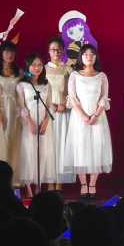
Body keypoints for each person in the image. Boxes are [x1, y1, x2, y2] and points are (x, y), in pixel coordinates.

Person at [64, 44, 113, 199]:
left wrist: (95, 116)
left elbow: (104, 98)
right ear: (81, 57)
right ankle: (83, 184)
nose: (89, 57)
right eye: (86, 54)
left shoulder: (102, 76)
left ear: (96, 57)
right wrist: (84, 116)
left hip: (98, 117)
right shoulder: (74, 75)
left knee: (97, 148)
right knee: (81, 149)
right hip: (79, 118)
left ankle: (92, 184)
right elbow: (72, 98)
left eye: (92, 54)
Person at [16, 54, 57, 197]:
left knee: (43, 153)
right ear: (28, 66)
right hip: (29, 122)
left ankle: (39, 188)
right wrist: (30, 122)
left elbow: (50, 105)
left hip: (44, 123)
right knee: (29, 152)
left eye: (39, 65)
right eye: (33, 65)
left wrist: (45, 122)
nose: (37, 68)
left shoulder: (47, 84)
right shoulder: (22, 85)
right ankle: (29, 190)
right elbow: (21, 106)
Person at [46, 37, 75, 190]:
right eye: (53, 49)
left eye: (59, 49)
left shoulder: (68, 69)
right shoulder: (43, 68)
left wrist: (66, 104)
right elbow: (40, 89)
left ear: (63, 51)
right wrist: (50, 105)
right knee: (49, 146)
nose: (56, 52)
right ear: (49, 51)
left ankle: (59, 183)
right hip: (47, 112)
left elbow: (73, 92)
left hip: (64, 112)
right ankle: (49, 182)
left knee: (62, 146)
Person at [0, 41, 23, 183]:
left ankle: (13, 177)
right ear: (1, 53)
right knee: (0, 140)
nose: (10, 54)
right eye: (6, 51)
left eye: (12, 51)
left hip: (15, 110)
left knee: (14, 140)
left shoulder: (20, 72)